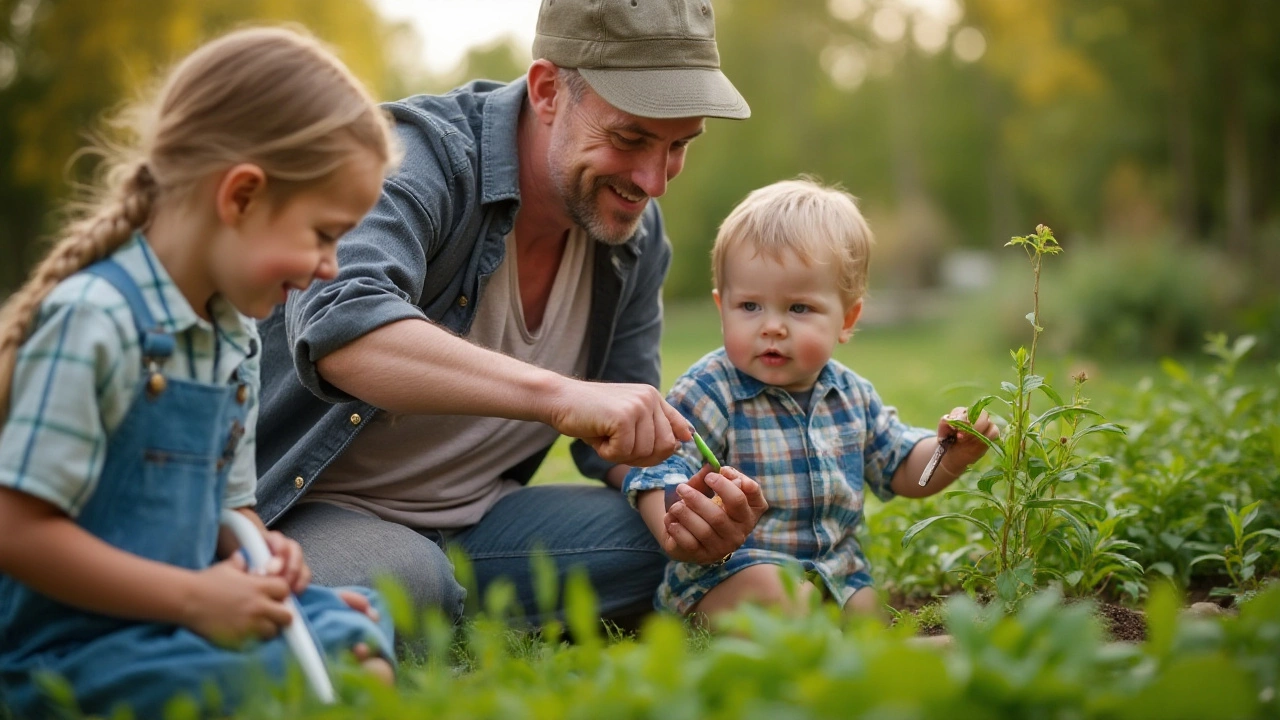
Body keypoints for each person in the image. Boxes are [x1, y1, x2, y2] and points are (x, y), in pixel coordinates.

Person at [253, 0, 768, 627]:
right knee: (408, 579)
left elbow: (619, 435)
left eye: (679, 145)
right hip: (302, 511)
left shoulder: (633, 233)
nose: (654, 180)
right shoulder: (415, 159)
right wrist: (559, 396)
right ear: (548, 90)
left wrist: (681, 511)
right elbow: (339, 325)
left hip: (482, 526)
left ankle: (416, 606)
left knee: (682, 557)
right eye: (630, 138)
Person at [0, 28, 400, 718]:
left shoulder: (233, 340)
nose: (331, 266)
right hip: (70, 649)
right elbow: (16, 530)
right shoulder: (95, 321)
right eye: (324, 234)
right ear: (241, 195)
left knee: (357, 619)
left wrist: (265, 557)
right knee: (322, 666)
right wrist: (194, 598)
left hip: (179, 623)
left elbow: (229, 513)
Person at [623, 178, 1000, 619]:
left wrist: (949, 452)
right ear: (720, 306)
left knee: (870, 617)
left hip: (836, 572)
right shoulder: (710, 389)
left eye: (799, 308)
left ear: (848, 318)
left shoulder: (851, 396)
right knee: (774, 591)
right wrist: (682, 518)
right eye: (749, 306)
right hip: (729, 570)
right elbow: (659, 467)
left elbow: (900, 466)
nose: (772, 327)